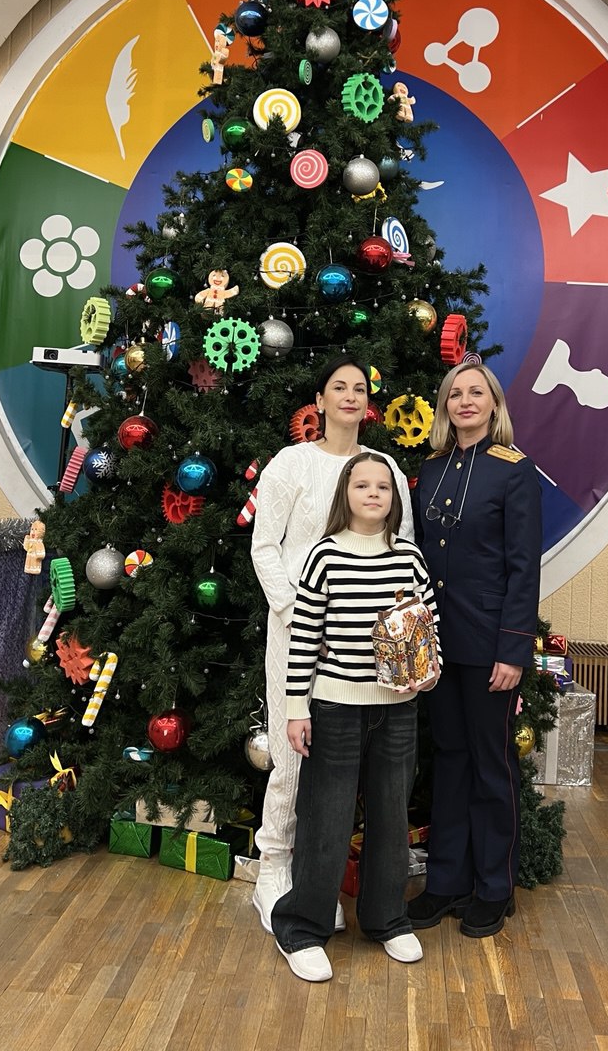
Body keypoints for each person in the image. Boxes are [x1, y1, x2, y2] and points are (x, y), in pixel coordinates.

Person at [250, 357, 414, 934]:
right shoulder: (291, 463)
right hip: (296, 629)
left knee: (353, 769)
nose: (350, 396)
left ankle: (323, 882)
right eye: (338, 387)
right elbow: (264, 546)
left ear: (368, 403)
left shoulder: (384, 468)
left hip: (368, 645)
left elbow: (401, 551)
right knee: (292, 752)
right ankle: (274, 867)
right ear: (319, 401)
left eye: (359, 388)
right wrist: (294, 609)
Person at [272, 452, 439, 982]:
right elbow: (305, 637)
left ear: (394, 499)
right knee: (326, 819)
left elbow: (429, 626)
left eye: (382, 487)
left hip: (397, 712)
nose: (373, 494)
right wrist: (296, 708)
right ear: (345, 494)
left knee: (390, 819)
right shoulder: (324, 556)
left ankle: (387, 918)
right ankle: (303, 927)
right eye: (362, 485)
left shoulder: (409, 558)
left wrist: (427, 676)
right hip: (336, 708)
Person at [407, 361, 542, 939]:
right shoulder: (431, 469)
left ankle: (493, 888)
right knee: (450, 760)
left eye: (476, 393)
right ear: (445, 406)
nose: (465, 401)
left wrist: (513, 650)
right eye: (455, 393)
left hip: (490, 646)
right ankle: (446, 882)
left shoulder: (514, 470)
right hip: (439, 642)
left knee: (491, 765)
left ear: (493, 404)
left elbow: (523, 568)